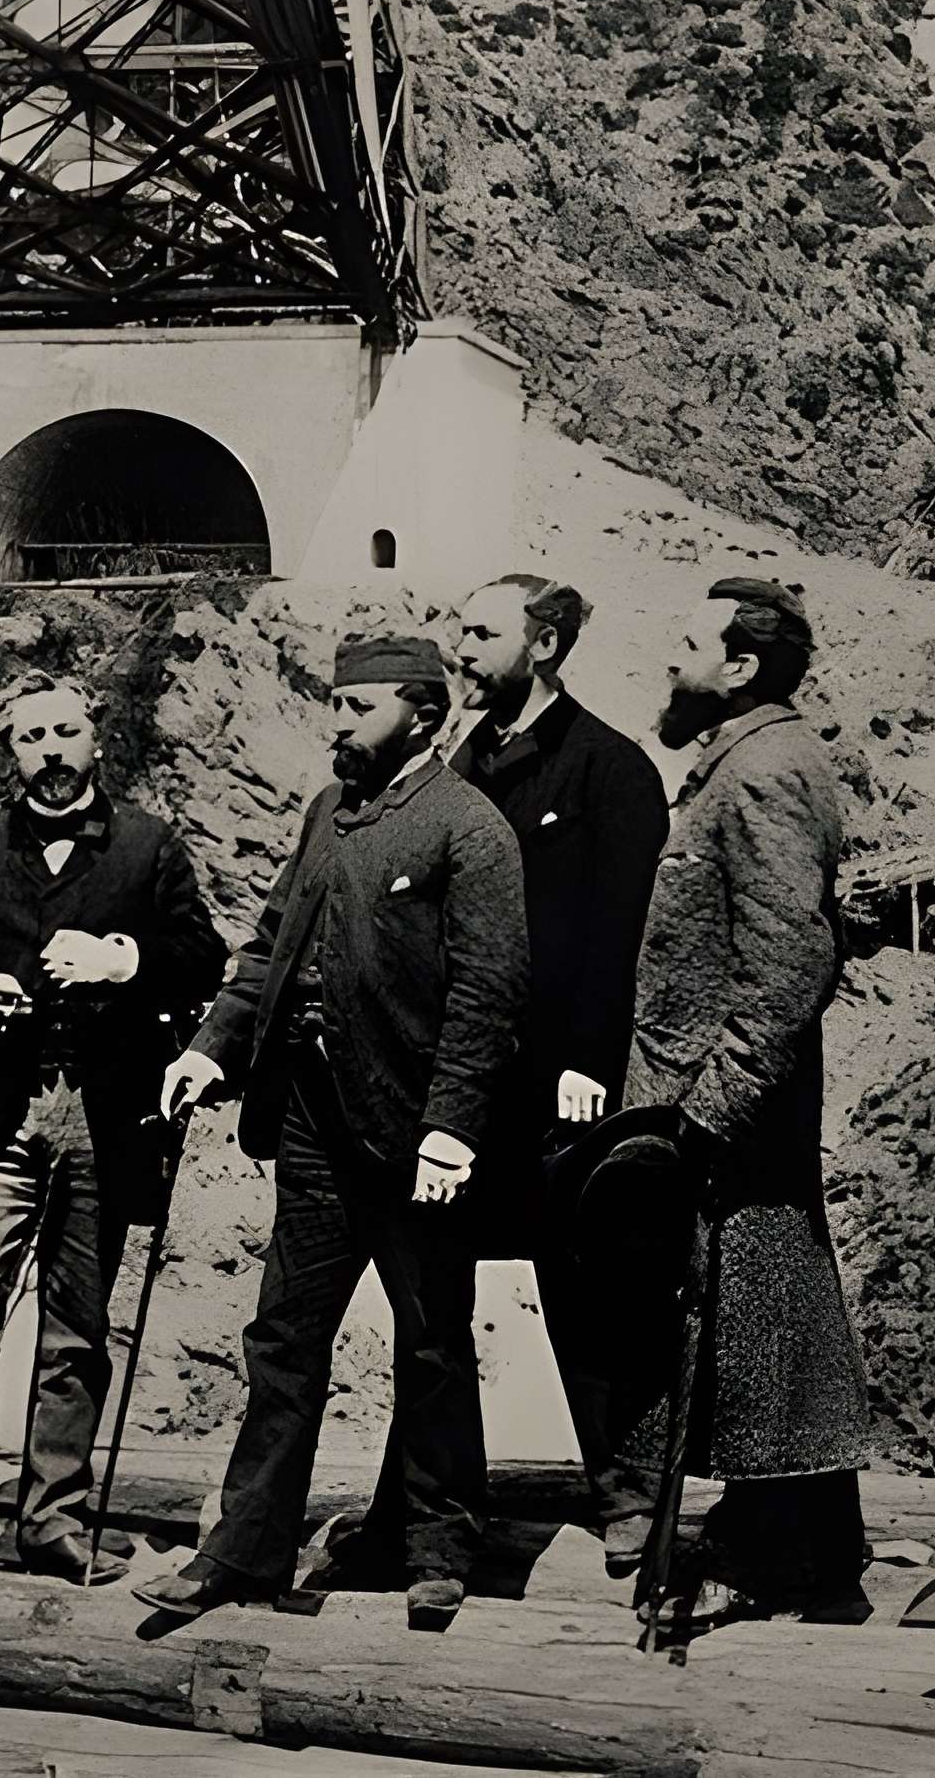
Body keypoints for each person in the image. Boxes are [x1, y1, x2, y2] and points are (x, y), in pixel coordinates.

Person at [138, 633, 529, 1625]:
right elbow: (271, 944)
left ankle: (440, 1549)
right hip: (311, 1119)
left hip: (411, 1132)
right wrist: (209, 1046)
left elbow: (488, 993)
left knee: (431, 1340)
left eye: (356, 708)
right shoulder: (327, 811)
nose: (335, 724)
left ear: (422, 714)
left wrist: (451, 1125)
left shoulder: (465, 828)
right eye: (333, 705)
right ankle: (247, 1548)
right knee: (283, 1336)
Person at [348, 575, 671, 1578]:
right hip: (456, 1080)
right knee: (432, 1297)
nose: (459, 647)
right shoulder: (448, 770)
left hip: (558, 1085)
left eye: (479, 631)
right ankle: (426, 1509)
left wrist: (589, 1058)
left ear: (543, 643)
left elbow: (622, 933)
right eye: (456, 627)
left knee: (589, 1288)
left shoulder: (608, 770)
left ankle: (629, 1497)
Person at [0, 672, 227, 1589]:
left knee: (77, 1328)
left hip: (103, 1115)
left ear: (95, 739)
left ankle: (52, 1516)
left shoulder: (148, 848)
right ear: (12, 751)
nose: (51, 750)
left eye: (66, 731)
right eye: (32, 735)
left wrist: (124, 959)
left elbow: (203, 954)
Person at [622, 577, 871, 1618]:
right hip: (721, 1094)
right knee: (763, 1320)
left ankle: (768, 1550)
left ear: (739, 667)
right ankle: (805, 1547)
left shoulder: (763, 766)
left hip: (733, 1105)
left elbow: (784, 959)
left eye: (688, 643)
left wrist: (711, 1104)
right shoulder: (742, 757)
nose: (669, 661)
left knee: (761, 1323)